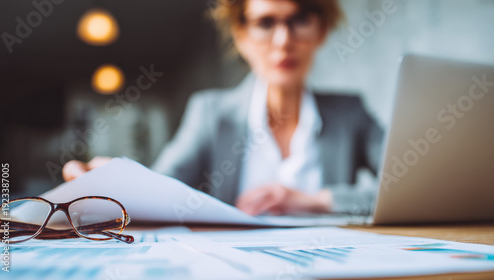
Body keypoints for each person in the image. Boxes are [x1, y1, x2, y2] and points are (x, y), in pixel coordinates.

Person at [63, 0, 383, 216]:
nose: (284, 40)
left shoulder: (351, 113)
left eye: (299, 19)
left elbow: (411, 191)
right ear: (241, 35)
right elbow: (163, 187)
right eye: (265, 22)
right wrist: (121, 180)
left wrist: (315, 200)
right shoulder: (210, 113)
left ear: (321, 30)